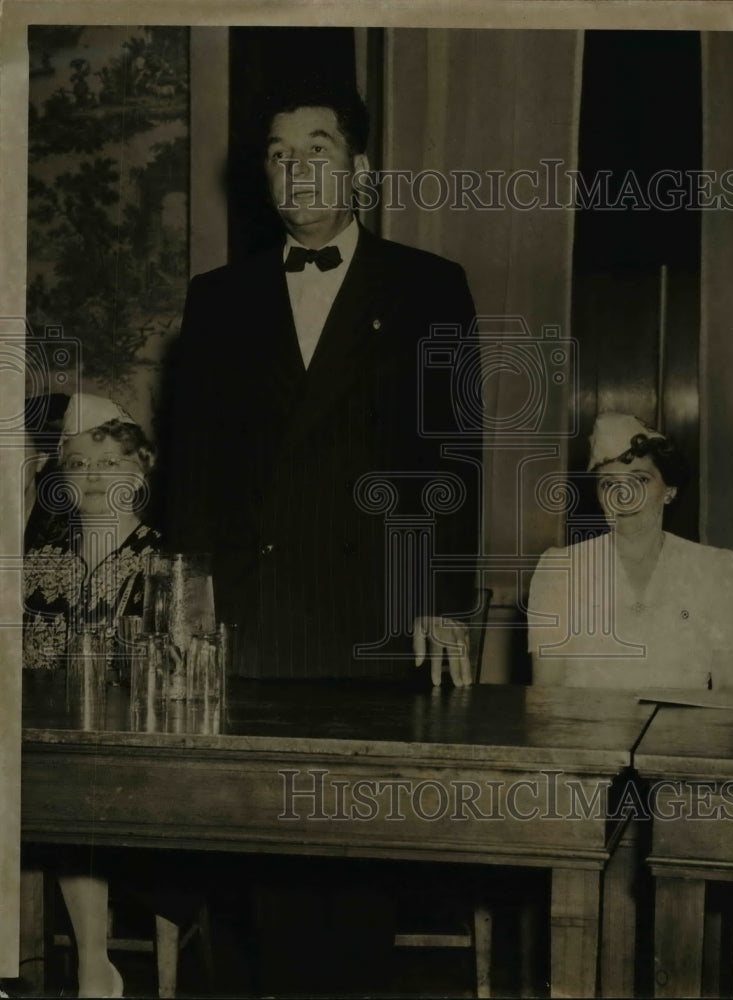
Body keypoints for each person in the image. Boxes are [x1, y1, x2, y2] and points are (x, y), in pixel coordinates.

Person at [163, 82, 480, 687]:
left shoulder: (428, 287)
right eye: (279, 155)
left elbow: (454, 457)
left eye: (316, 149)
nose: (296, 170)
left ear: (358, 169)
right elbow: (192, 460)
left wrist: (442, 597)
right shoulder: (219, 297)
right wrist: (189, 586)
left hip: (382, 609)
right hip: (248, 609)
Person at [23, 392, 160, 998]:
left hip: (138, 747)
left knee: (78, 786)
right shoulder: (38, 561)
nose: (94, 479)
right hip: (46, 742)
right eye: (77, 465)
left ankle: (91, 964)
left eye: (110, 463)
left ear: (143, 466)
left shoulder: (166, 558)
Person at [527, 412, 733, 691]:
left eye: (640, 480)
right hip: (584, 732)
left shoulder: (716, 569)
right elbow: (547, 693)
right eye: (608, 484)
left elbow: (731, 692)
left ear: (669, 491)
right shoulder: (559, 569)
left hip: (685, 734)